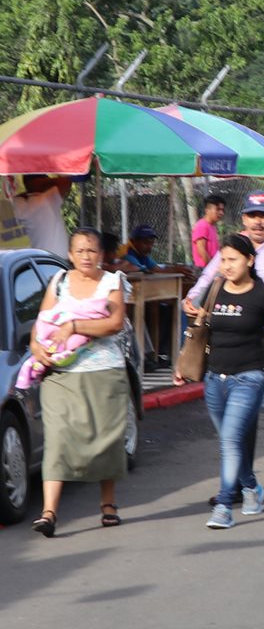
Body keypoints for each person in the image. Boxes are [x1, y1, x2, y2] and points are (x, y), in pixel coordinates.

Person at [187, 190, 264, 494]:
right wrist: (193, 297)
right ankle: (238, 483)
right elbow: (210, 275)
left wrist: (241, 272)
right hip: (240, 337)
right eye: (253, 215)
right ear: (244, 218)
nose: (258, 222)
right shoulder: (234, 246)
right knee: (240, 414)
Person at [179, 234, 264, 529]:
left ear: (249, 261)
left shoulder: (262, 294)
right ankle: (251, 486)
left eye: (233, 260)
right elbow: (201, 328)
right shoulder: (215, 289)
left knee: (230, 440)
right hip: (215, 378)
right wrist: (183, 361)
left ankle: (224, 505)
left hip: (249, 377)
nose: (226, 266)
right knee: (230, 440)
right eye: (223, 260)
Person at [28, 227, 130, 537]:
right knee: (57, 438)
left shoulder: (112, 282)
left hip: (104, 371)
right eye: (80, 251)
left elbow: (114, 323)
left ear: (102, 255)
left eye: (92, 250)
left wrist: (74, 326)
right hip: (60, 375)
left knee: (106, 440)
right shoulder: (58, 282)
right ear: (70, 255)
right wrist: (35, 346)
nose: (86, 256)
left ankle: (108, 504)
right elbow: (42, 322)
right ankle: (49, 513)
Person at [11, 175, 70, 258]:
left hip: (42, 259)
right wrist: (49, 181)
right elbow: (66, 181)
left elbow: (17, 197)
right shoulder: (46, 199)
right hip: (55, 260)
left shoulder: (19, 203)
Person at [122, 224, 192, 275]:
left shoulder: (141, 254)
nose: (149, 247)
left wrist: (175, 269)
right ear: (134, 242)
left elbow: (157, 269)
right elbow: (148, 272)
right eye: (145, 243)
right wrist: (175, 270)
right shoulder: (127, 254)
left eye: (151, 243)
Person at [192, 194, 226, 267]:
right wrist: (211, 268)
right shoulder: (202, 225)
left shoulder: (212, 227)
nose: (221, 213)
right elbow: (201, 250)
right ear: (207, 210)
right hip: (203, 269)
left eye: (222, 210)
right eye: (218, 209)